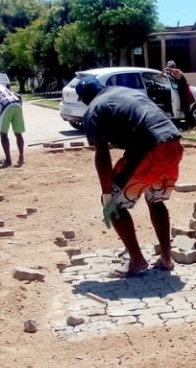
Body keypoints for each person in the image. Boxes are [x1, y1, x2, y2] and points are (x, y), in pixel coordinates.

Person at [75, 76, 183, 276]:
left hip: (148, 151)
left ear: (83, 100)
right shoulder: (124, 91)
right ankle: (167, 258)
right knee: (155, 198)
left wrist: (107, 194)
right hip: (173, 144)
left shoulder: (93, 109)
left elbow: (102, 156)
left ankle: (137, 261)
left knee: (113, 204)